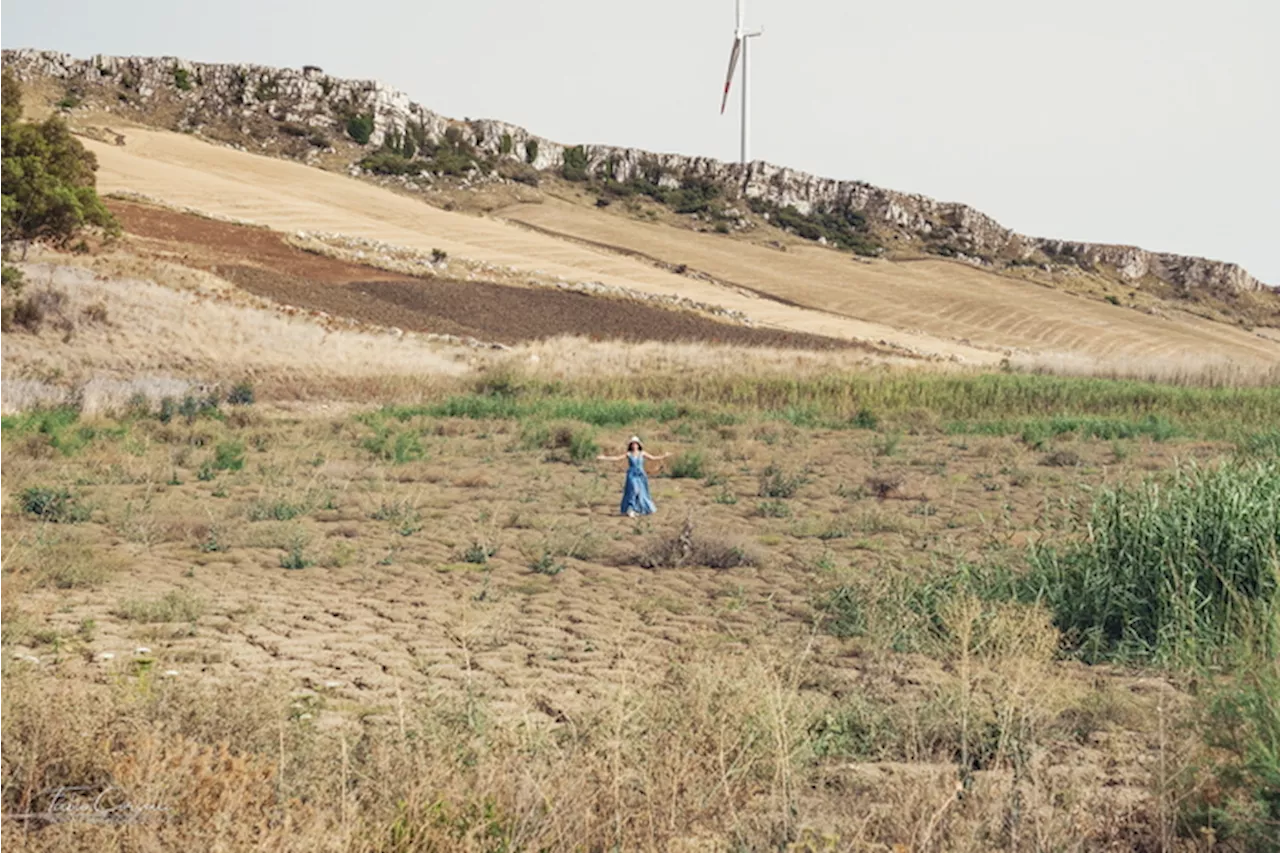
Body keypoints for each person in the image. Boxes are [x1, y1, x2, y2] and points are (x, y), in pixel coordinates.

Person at [597, 436, 670, 517]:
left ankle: (639, 508)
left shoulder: (642, 453)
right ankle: (630, 508)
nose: (634, 445)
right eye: (632, 444)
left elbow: (653, 458)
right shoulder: (629, 454)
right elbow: (617, 458)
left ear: (638, 445)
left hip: (641, 475)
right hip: (632, 474)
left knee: (641, 491)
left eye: (636, 444)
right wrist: (605, 458)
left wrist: (664, 456)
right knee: (633, 490)